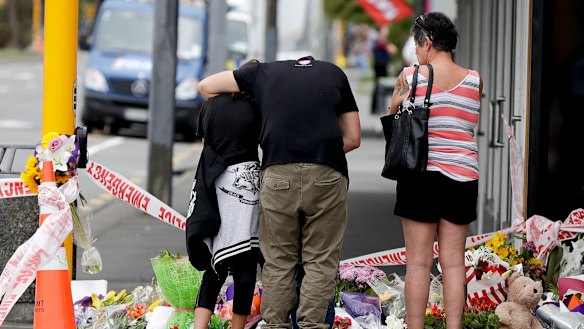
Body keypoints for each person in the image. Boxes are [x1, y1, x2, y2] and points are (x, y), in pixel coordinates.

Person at [198, 55, 361, 329]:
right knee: (320, 260)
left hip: (277, 174)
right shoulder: (334, 73)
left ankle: (275, 325)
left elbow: (206, 86)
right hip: (326, 174)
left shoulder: (263, 73)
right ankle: (311, 325)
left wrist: (250, 95)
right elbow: (353, 138)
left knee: (278, 261)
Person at [387, 12, 483, 329]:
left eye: (417, 45)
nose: (416, 53)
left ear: (426, 42)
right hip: (463, 176)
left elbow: (394, 118)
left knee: (418, 262)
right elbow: (467, 126)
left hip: (420, 176)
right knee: (453, 263)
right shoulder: (475, 80)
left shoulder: (410, 76)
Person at [186, 60, 262, 329]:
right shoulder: (257, 107)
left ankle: (199, 326)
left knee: (214, 262)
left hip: (213, 183)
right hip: (246, 186)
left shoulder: (209, 106)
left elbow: (206, 145)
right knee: (245, 263)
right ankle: (237, 327)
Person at [371, 25, 398, 113]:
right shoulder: (380, 40)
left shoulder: (380, 40)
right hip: (380, 65)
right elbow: (392, 49)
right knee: (380, 86)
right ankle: (377, 107)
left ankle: (376, 107)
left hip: (380, 64)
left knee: (378, 86)